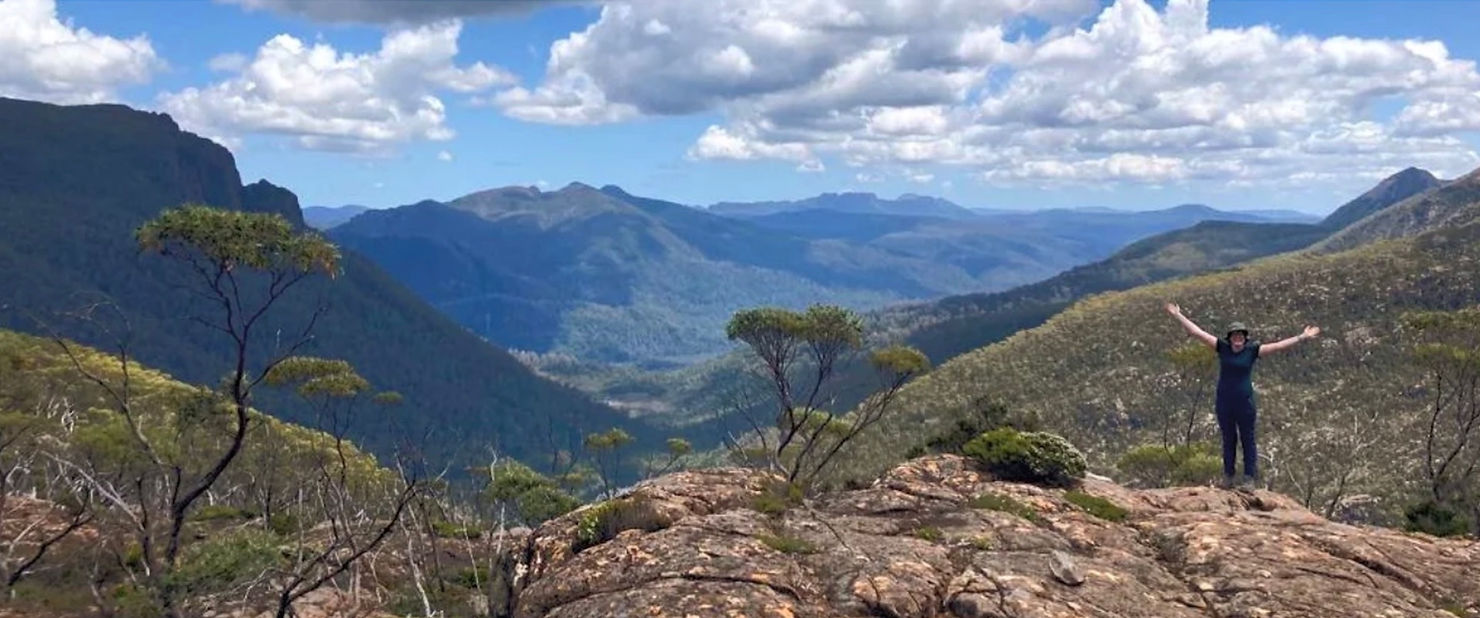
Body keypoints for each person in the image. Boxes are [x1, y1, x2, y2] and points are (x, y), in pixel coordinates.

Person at [1164, 303, 1320, 488]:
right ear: (1229, 338)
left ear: (1245, 338)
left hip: (1245, 404)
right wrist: (1178, 315)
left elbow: (1278, 346)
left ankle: (1248, 479)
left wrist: (1302, 337)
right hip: (1224, 403)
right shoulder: (1222, 348)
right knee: (1228, 439)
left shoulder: (1252, 351)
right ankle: (1228, 477)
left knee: (1248, 440)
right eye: (1234, 336)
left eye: (1240, 336)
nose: (1237, 339)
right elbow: (1198, 333)